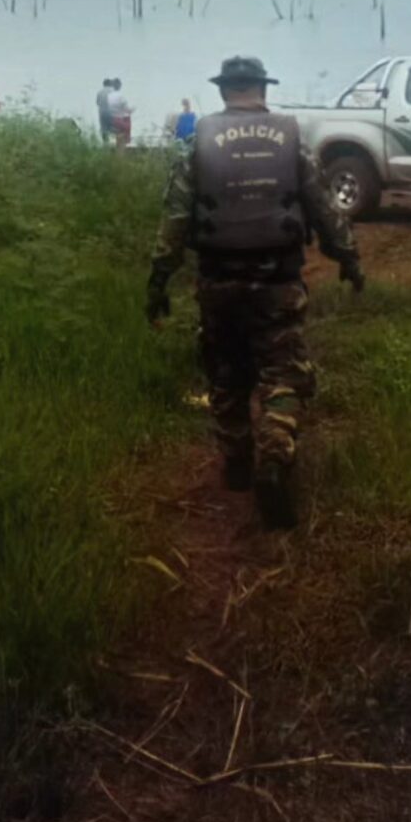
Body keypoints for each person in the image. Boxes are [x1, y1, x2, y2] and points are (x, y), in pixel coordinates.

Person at [146, 56, 364, 529]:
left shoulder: (196, 145)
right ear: (261, 89)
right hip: (276, 282)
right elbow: (324, 208)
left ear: (225, 91)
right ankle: (275, 456)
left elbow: (175, 220)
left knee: (226, 373)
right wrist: (347, 257)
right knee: (282, 373)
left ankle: (238, 464)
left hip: (217, 282)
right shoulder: (292, 141)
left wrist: (159, 279)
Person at [106, 77, 132, 147]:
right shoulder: (121, 97)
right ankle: (126, 140)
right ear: (119, 86)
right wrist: (132, 110)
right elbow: (127, 110)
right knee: (127, 119)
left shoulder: (108, 96)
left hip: (110, 120)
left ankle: (121, 141)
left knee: (124, 118)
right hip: (118, 121)